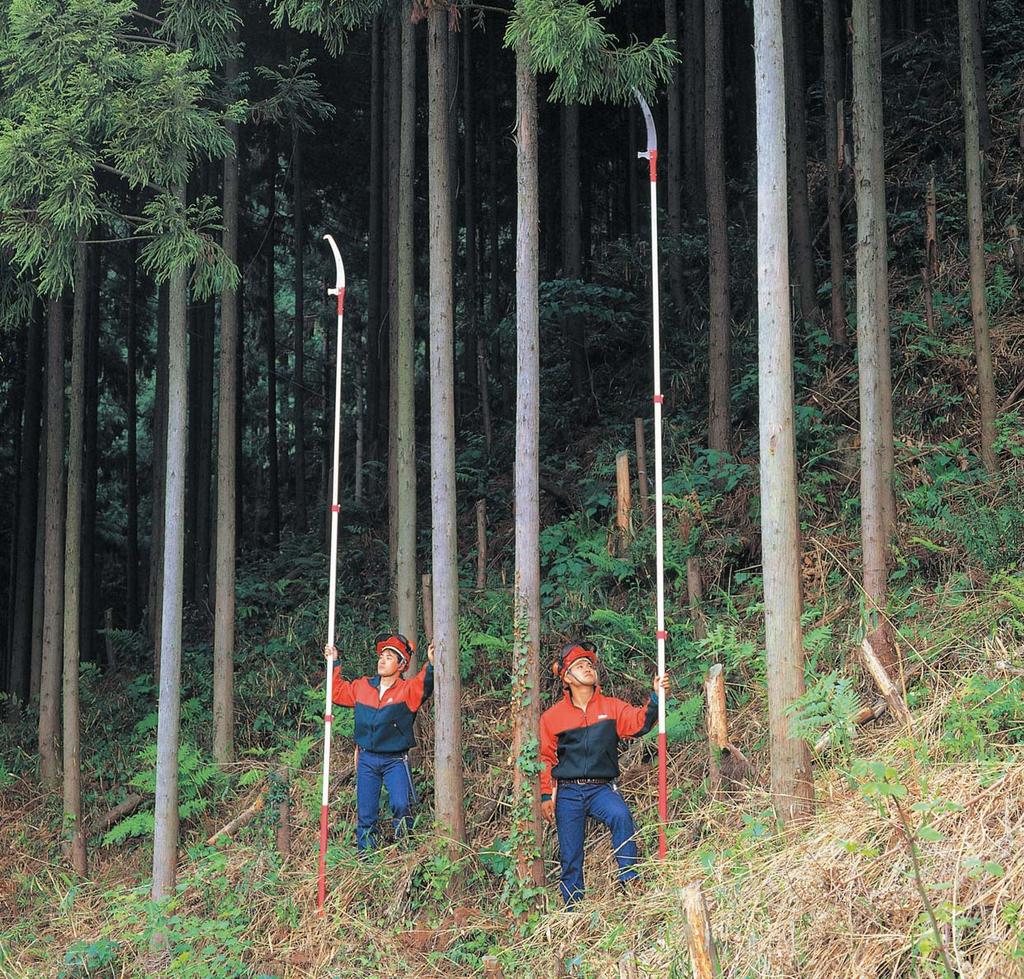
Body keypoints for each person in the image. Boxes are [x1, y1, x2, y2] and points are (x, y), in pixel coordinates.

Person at [539, 641, 670, 907]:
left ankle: (630, 882)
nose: (587, 668)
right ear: (567, 677)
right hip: (568, 792)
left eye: (589, 664)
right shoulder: (552, 717)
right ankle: (573, 907)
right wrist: (545, 795)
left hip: (601, 788)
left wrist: (656, 698)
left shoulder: (611, 707)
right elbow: (546, 757)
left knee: (621, 815)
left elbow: (639, 722)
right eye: (579, 666)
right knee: (570, 852)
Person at [324, 633, 433, 852]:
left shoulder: (407, 691)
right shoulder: (363, 686)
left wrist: (431, 663)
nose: (382, 660)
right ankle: (366, 857)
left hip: (395, 760)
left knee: (402, 805)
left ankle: (405, 850)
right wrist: (333, 662)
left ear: (401, 665)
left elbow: (425, 683)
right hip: (366, 759)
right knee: (366, 812)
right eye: (382, 655)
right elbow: (336, 692)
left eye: (390, 657)